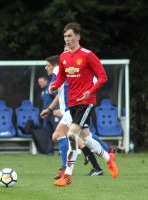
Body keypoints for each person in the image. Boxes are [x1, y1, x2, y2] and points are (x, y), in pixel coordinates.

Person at [48, 22, 118, 186]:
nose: (67, 39)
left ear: (78, 37)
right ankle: (109, 158)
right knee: (86, 137)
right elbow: (61, 78)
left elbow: (103, 77)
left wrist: (90, 90)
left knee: (71, 135)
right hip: (72, 103)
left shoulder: (88, 55)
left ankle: (67, 176)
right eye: (65, 36)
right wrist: (54, 85)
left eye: (70, 36)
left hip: (86, 101)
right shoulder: (63, 57)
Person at [41, 55, 114, 179]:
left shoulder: (62, 69)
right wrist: (50, 109)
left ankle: (67, 171)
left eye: (47, 65)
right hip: (69, 109)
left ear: (54, 65)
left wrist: (85, 96)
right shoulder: (64, 71)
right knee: (81, 137)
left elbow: (96, 81)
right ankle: (104, 158)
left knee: (71, 137)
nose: (45, 67)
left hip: (75, 108)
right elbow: (60, 94)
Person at [38, 76, 55, 155]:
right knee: (48, 132)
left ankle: (64, 150)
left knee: (58, 131)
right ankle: (50, 151)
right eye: (39, 82)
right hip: (46, 115)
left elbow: (56, 100)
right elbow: (44, 103)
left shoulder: (51, 89)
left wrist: (56, 110)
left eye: (41, 82)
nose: (39, 84)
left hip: (53, 114)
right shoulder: (42, 92)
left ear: (46, 81)